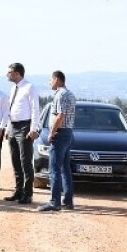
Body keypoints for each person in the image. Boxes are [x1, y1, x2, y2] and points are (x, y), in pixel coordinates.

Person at [0, 62, 40, 204]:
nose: (7, 75)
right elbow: (10, 110)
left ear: (16, 73)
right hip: (13, 127)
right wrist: (7, 128)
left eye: (9, 72)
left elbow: (35, 109)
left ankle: (28, 194)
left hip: (25, 127)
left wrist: (33, 128)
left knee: (25, 161)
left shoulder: (29, 87)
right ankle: (18, 190)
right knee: (15, 161)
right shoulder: (13, 88)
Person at [37, 70, 77, 212]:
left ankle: (55, 202)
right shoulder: (70, 94)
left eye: (50, 79)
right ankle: (68, 201)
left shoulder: (60, 95)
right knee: (65, 168)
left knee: (54, 169)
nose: (49, 82)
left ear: (57, 79)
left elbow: (60, 116)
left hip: (60, 134)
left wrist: (52, 132)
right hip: (68, 133)